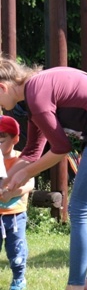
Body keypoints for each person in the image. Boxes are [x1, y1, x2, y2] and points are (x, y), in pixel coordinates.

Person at [0, 59, 87, 290]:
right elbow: (33, 151)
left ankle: (75, 287)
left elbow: (61, 148)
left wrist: (25, 173)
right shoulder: (36, 89)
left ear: (2, 87)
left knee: (79, 209)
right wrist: (7, 182)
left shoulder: (36, 94)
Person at [0, 115, 34, 290]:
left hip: (15, 215)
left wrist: (14, 191)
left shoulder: (21, 159)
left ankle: (18, 279)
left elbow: (30, 183)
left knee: (16, 250)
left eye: (1, 139)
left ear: (15, 139)